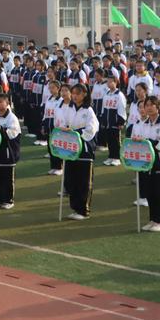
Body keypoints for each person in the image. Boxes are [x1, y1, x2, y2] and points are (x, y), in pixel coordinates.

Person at [60, 84, 99, 220]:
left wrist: (76, 133)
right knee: (72, 180)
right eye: (73, 93)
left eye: (78, 93)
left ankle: (84, 210)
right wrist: (64, 129)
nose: (75, 96)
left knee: (84, 181)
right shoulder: (69, 108)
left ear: (84, 94)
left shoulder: (88, 111)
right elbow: (65, 123)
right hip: (71, 148)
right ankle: (75, 208)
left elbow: (91, 129)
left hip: (84, 149)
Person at [133, 96, 160, 232]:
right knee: (149, 192)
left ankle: (158, 221)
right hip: (146, 161)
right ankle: (153, 219)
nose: (148, 107)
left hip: (158, 162)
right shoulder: (144, 123)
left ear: (157, 106)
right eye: (146, 105)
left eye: (151, 105)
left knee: (157, 191)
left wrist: (148, 143)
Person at [0, 94, 21, 209]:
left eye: (1, 102)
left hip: (8, 153)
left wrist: (1, 129)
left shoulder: (12, 118)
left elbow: (12, 133)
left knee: (7, 178)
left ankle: (8, 200)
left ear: (7, 103)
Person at [101, 76, 127, 167]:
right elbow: (103, 108)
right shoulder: (107, 94)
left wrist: (121, 122)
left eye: (111, 82)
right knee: (109, 140)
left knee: (116, 141)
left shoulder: (119, 94)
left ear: (116, 82)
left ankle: (117, 158)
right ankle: (111, 156)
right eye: (108, 82)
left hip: (115, 122)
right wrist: (103, 119)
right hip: (108, 122)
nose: (109, 83)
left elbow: (122, 108)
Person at [42, 80, 62, 176]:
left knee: (57, 146)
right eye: (49, 87)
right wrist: (43, 125)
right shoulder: (49, 99)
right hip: (48, 125)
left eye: (53, 87)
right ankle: (53, 166)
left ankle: (59, 167)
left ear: (58, 88)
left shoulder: (61, 100)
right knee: (50, 147)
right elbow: (45, 114)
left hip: (56, 126)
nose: (50, 89)